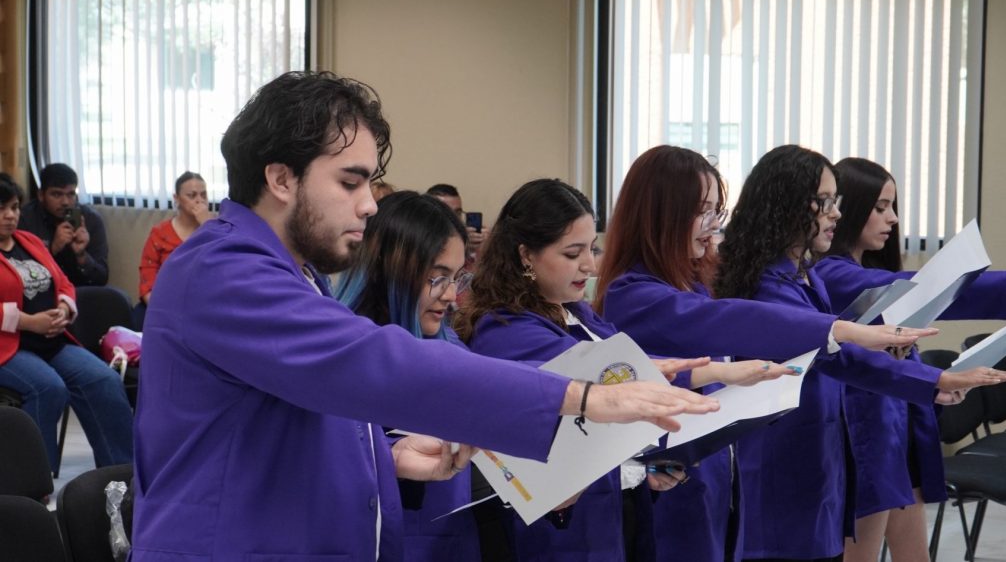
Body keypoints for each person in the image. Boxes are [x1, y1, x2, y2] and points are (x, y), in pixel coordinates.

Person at [131, 71, 717, 560]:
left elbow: (284, 423)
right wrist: (583, 397)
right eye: (350, 181)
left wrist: (383, 459)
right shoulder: (222, 270)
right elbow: (370, 362)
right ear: (281, 178)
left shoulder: (289, 272)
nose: (367, 203)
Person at [594, 145, 938, 562]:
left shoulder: (696, 281)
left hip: (715, 481)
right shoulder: (634, 295)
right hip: (674, 491)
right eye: (703, 211)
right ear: (663, 216)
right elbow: (729, 320)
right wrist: (840, 330)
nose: (712, 225)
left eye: (716, 211)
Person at [456, 178, 793, 561]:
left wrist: (641, 469)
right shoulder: (505, 330)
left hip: (612, 516)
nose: (590, 264)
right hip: (561, 534)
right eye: (572, 253)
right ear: (525, 255)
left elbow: (627, 375)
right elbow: (601, 387)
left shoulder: (578, 313)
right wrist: (710, 375)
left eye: (592, 248)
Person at [714, 144, 1006, 562]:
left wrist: (933, 382)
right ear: (786, 205)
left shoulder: (801, 277)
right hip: (788, 458)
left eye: (835, 201)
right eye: (824, 202)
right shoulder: (773, 285)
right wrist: (935, 380)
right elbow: (840, 355)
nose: (834, 212)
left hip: (821, 450)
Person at [818, 157, 1006, 561]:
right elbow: (912, 290)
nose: (892, 219)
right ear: (851, 208)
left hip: (896, 421)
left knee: (914, 553)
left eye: (893, 207)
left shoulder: (862, 267)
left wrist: (939, 384)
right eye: (880, 207)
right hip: (865, 431)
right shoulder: (832, 272)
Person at [335, 191, 480, 561]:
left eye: (457, 278)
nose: (451, 295)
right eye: (437, 278)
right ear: (393, 271)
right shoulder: (346, 358)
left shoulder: (447, 342)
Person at [0, 175, 133, 473]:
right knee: (49, 388)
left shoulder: (30, 241)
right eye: (1, 209)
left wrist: (64, 306)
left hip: (51, 340)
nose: (10, 215)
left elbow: (63, 282)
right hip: (9, 347)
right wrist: (27, 322)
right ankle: (35, 483)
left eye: (14, 207)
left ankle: (122, 476)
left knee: (104, 380)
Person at [135, 171, 212, 326]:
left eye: (203, 195)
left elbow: (223, 269)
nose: (199, 201)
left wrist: (208, 226)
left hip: (203, 306)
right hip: (163, 304)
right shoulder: (160, 233)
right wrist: (163, 311)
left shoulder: (214, 230)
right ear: (176, 199)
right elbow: (147, 277)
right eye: (192, 195)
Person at [19, 163, 109, 286]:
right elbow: (21, 277)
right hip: (42, 294)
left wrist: (82, 255)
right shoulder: (25, 219)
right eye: (57, 194)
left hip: (80, 293)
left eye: (71, 194)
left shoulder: (91, 219)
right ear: (41, 195)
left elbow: (101, 279)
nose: (65, 202)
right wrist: (52, 250)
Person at [427, 183, 486, 268]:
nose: (454, 219)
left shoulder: (470, 244)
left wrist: (485, 251)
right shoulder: (419, 244)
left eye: (457, 213)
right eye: (446, 213)